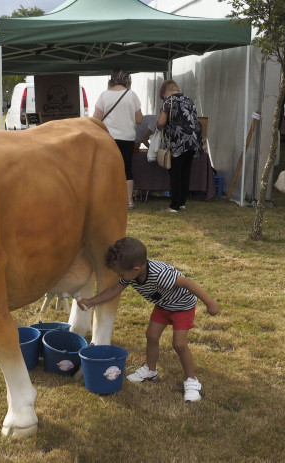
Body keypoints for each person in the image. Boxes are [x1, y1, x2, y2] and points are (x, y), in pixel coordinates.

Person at [76, 237, 219, 402]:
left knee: (179, 344)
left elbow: (188, 283)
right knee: (151, 336)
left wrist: (210, 302)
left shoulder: (160, 274)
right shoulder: (131, 274)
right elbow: (114, 290)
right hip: (163, 305)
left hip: (182, 306)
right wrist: (90, 301)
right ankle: (151, 371)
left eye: (121, 274)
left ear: (136, 269)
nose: (119, 276)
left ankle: (192, 381)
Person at [93, 68, 143, 210]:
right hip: (127, 138)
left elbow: (95, 118)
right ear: (128, 80)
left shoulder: (104, 95)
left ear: (111, 79)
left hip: (109, 138)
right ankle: (129, 202)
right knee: (127, 168)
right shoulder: (132, 95)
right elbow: (139, 119)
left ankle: (108, 200)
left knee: (108, 169)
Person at [157, 79, 204, 213]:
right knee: (185, 173)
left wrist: (158, 126)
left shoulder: (169, 101)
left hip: (177, 143)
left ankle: (174, 205)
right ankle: (182, 202)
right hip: (192, 142)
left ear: (166, 91)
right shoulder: (189, 100)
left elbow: (161, 122)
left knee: (175, 173)